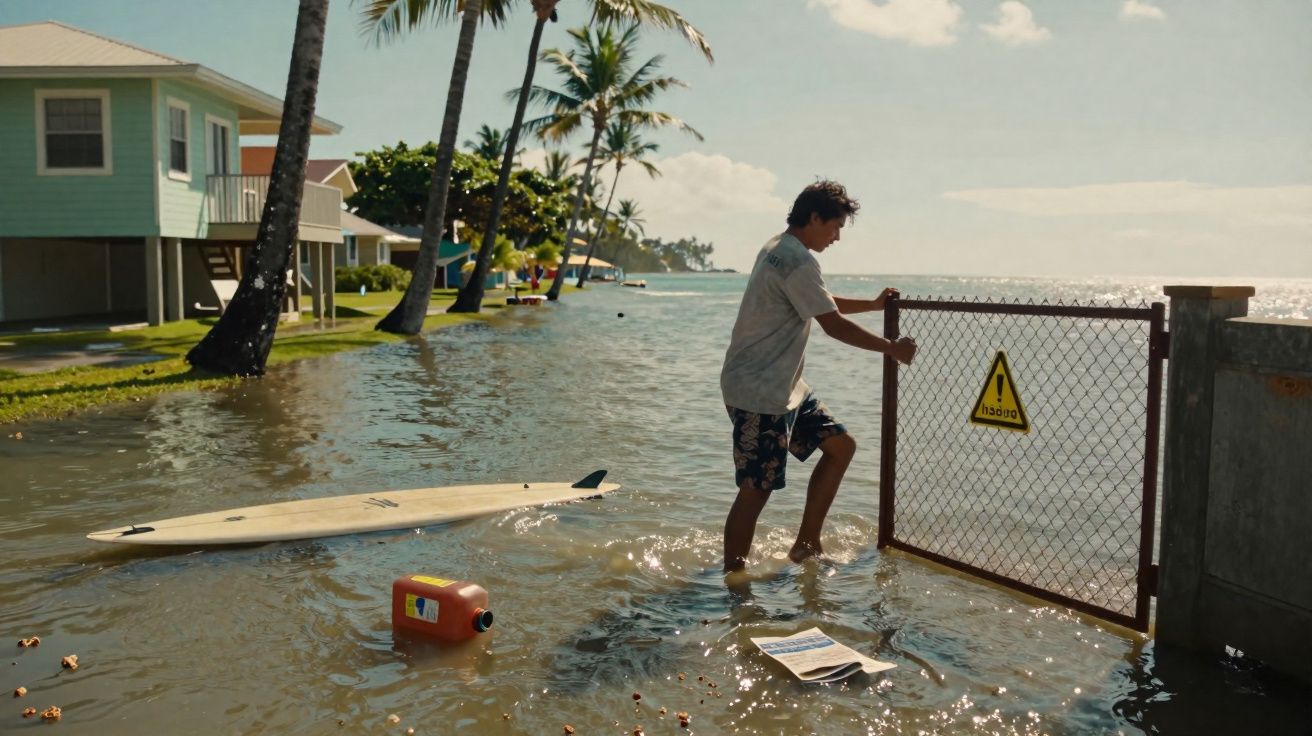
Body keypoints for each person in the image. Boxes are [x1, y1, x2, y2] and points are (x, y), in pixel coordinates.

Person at [720, 180, 917, 572]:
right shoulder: (796, 259)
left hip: (786, 388)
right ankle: (734, 581)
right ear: (814, 217)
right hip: (758, 393)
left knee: (841, 447)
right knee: (756, 490)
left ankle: (806, 545)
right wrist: (891, 349)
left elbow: (819, 302)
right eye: (835, 226)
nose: (837, 237)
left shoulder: (779, 247)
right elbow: (834, 325)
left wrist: (873, 305)